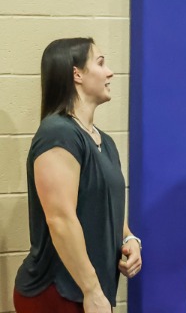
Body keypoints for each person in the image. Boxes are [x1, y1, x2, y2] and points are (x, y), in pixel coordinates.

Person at [13, 38, 141, 313]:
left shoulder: (105, 142)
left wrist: (129, 239)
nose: (110, 73)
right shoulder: (58, 133)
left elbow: (107, 208)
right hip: (57, 293)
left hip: (87, 292)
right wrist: (91, 290)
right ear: (77, 74)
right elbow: (60, 219)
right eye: (100, 63)